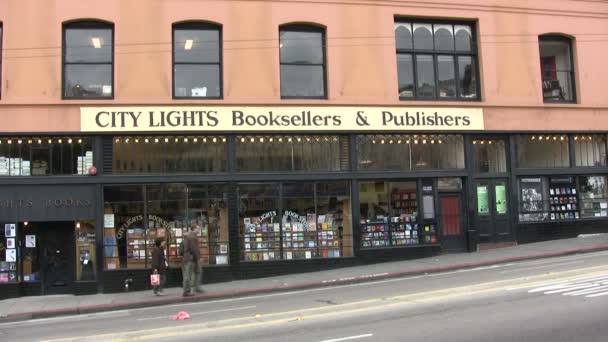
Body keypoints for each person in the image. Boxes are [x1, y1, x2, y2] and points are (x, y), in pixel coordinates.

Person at [182, 224, 203, 296]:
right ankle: (186, 291)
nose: (199, 230)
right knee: (188, 275)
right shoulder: (192, 237)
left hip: (190, 258)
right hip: (190, 258)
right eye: (198, 228)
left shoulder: (191, 236)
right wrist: (198, 258)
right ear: (194, 229)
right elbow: (194, 249)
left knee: (196, 272)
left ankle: (195, 288)